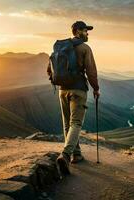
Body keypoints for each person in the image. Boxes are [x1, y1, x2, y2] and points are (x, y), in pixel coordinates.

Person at [47, 21, 100, 175]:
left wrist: (59, 81)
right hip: (78, 90)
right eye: (85, 30)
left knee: (67, 124)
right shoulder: (85, 48)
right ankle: (65, 155)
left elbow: (49, 69)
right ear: (77, 31)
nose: (87, 33)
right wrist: (96, 89)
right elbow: (91, 72)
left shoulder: (61, 47)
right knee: (76, 123)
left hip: (62, 90)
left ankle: (76, 155)